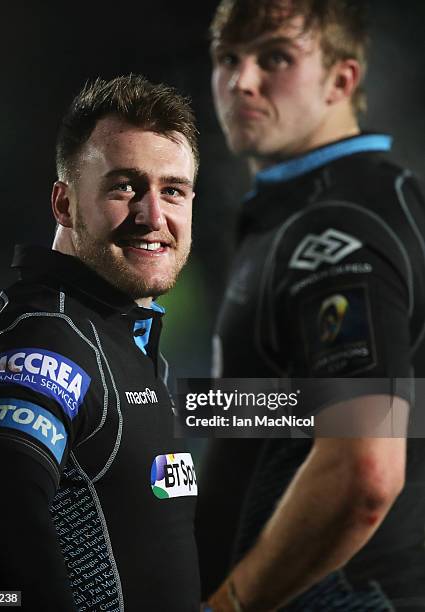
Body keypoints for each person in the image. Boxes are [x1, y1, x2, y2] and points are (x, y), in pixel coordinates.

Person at [197, 1, 425, 610]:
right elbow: (260, 423)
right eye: (227, 59)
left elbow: (365, 471)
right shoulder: (305, 210)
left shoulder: (340, 222)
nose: (241, 81)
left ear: (341, 80)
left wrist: (227, 604)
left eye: (275, 57)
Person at [0, 74, 200, 611]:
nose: (153, 217)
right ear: (64, 205)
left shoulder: (121, 340)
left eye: (173, 190)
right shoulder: (49, 337)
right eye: (124, 186)